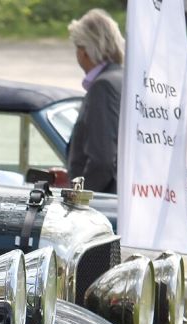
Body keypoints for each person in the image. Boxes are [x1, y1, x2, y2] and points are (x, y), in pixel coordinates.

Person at [67, 9, 124, 194]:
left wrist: (78, 198)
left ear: (83, 51)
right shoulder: (123, 79)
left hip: (103, 205)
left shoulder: (103, 86)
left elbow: (102, 160)